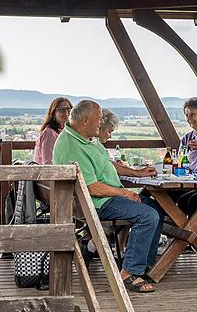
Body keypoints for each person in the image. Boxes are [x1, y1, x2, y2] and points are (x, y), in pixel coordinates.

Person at [53, 100, 162, 293]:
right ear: (86, 121)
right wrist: (125, 192)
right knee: (148, 215)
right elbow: (92, 188)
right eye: (99, 119)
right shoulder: (72, 145)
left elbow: (108, 163)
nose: (101, 122)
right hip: (95, 203)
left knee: (156, 209)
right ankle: (129, 273)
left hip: (103, 198)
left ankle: (142, 266)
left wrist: (136, 173)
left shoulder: (85, 138)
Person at [98, 108, 156, 178]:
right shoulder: (92, 148)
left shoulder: (97, 145)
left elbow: (108, 164)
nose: (110, 136)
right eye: (109, 131)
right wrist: (136, 172)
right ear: (100, 127)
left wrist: (121, 167)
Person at [34, 97, 72, 164]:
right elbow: (48, 163)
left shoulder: (67, 131)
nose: (66, 113)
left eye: (69, 109)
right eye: (61, 110)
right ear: (53, 113)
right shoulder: (49, 134)